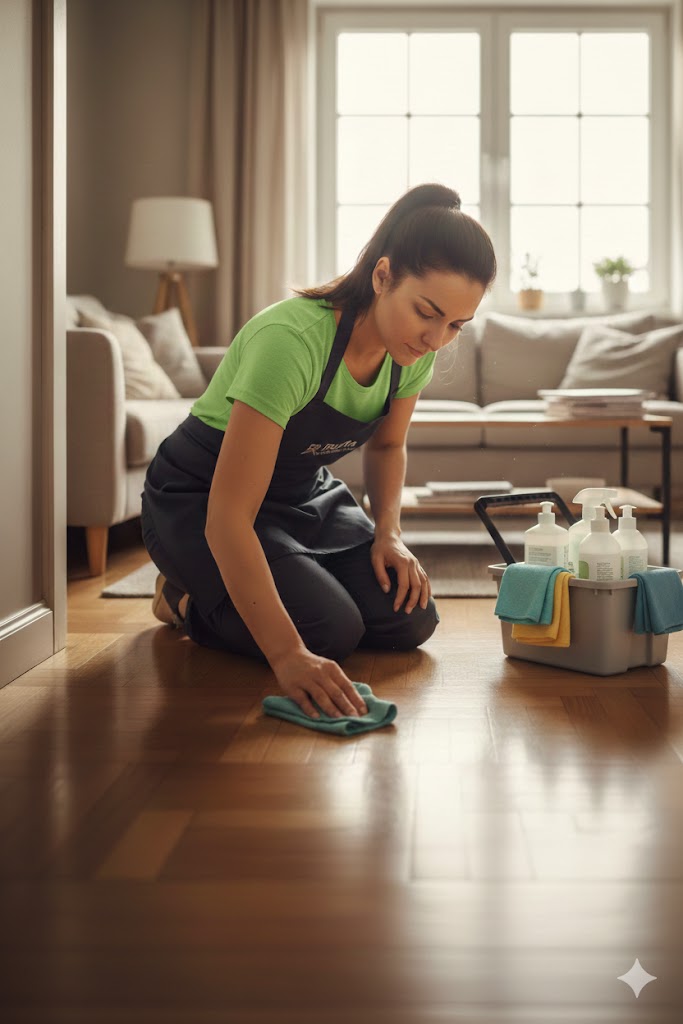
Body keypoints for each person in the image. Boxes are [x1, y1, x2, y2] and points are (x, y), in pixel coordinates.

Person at [141, 182, 496, 721]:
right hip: (201, 497)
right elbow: (229, 518)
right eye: (427, 313)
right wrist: (288, 658)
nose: (436, 339)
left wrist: (389, 534)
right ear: (382, 276)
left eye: (456, 325)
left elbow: (390, 445)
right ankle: (184, 600)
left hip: (302, 495)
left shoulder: (413, 351)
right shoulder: (291, 341)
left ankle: (244, 592)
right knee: (328, 629)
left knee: (408, 617)